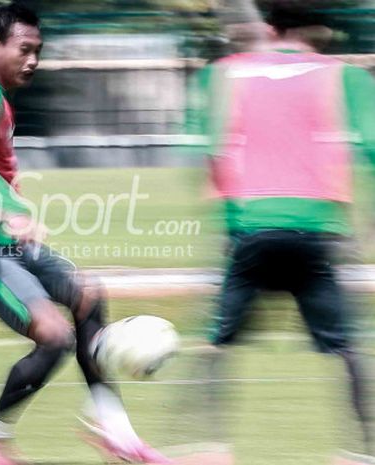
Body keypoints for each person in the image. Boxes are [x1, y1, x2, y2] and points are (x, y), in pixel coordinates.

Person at [0, 3, 171, 465]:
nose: (33, 60)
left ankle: (113, 430)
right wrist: (12, 208)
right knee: (55, 335)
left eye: (38, 50)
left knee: (87, 296)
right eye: (25, 49)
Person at [186, 2, 375, 464]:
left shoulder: (225, 73)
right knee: (346, 347)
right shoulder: (344, 75)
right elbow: (370, 146)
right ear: (318, 28)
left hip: (251, 227)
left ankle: (209, 447)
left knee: (215, 342)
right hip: (315, 228)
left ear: (269, 28)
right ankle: (361, 451)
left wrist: (230, 216)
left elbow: (209, 149)